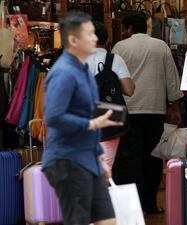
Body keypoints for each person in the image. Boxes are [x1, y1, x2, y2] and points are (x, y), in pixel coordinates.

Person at [42, 11, 120, 225]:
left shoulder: (83, 70)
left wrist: (98, 158)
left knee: (109, 220)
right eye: (89, 34)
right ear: (74, 40)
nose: (95, 39)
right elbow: (54, 116)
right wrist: (90, 124)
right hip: (67, 159)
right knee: (78, 220)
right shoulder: (63, 72)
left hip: (88, 159)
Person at [111, 12, 184, 214]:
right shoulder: (160, 46)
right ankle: (150, 204)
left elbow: (114, 80)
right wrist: (175, 108)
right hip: (155, 109)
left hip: (128, 110)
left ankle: (132, 208)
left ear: (129, 29)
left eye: (125, 29)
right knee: (153, 157)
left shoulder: (120, 47)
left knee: (129, 160)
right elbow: (172, 78)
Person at [86, 21, 135, 168]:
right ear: (107, 40)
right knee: (105, 168)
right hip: (109, 122)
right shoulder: (115, 60)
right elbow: (129, 90)